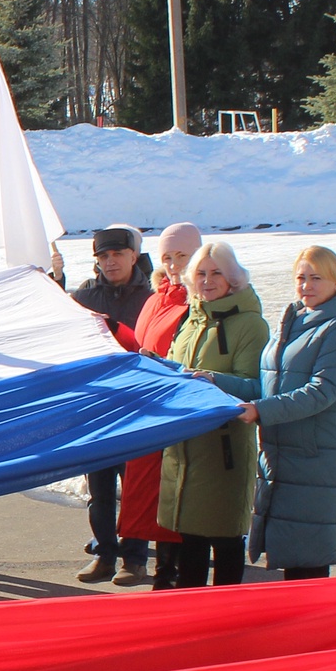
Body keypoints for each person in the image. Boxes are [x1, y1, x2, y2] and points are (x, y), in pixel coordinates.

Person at [214, 245, 336, 582]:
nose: (307, 285)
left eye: (316, 278)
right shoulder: (296, 321)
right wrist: (214, 380)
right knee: (295, 557)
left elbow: (322, 391)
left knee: (308, 560)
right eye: (301, 277)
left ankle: (311, 632)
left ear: (335, 281)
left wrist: (260, 412)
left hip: (318, 458)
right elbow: (267, 387)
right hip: (285, 455)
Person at [157, 243, 268, 588]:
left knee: (224, 539)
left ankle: (226, 618)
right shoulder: (192, 318)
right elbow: (179, 370)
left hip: (224, 451)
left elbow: (256, 387)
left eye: (216, 272)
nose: (207, 281)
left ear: (233, 278)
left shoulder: (251, 325)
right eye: (201, 273)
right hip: (186, 447)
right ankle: (192, 619)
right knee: (190, 540)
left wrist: (212, 379)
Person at [73, 226, 157, 583]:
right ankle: (105, 554)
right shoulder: (83, 296)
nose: (110, 262)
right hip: (96, 406)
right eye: (103, 257)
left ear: (133, 256)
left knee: (136, 486)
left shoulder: (150, 297)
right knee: (100, 489)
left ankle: (134, 560)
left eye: (117, 255)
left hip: (138, 405)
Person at [124, 223, 201, 588]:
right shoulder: (156, 298)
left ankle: (170, 573)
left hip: (178, 408)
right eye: (167, 256)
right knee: (151, 496)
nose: (173, 264)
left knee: (176, 493)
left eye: (182, 256)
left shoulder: (198, 298)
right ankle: (160, 569)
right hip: (150, 409)